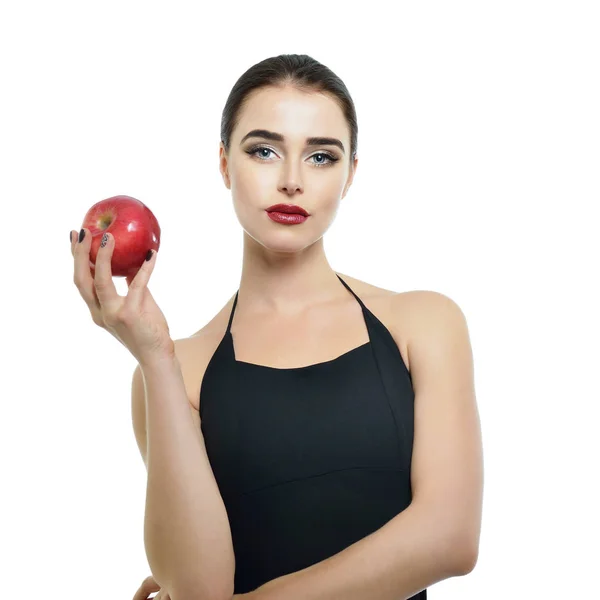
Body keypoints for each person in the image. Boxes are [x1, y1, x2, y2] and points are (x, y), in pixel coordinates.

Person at [71, 54, 482, 600]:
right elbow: (199, 588)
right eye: (264, 151)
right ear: (223, 164)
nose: (291, 181)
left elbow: (451, 539)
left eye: (320, 156)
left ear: (350, 174)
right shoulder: (176, 370)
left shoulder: (424, 324)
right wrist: (155, 358)